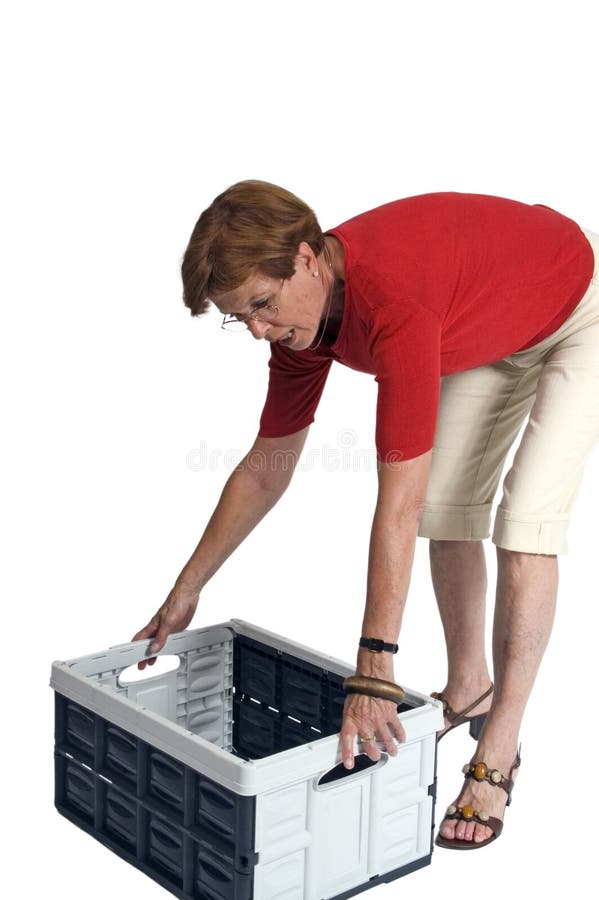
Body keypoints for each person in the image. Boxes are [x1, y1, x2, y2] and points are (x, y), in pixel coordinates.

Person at [132, 180, 599, 849]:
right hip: (491, 320)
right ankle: (468, 689)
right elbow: (267, 467)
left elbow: (394, 500)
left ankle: (498, 750)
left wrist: (372, 669)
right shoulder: (304, 325)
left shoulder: (392, 303)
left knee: (523, 525)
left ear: (306, 258)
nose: (260, 330)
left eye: (262, 305)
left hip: (576, 303)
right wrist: (186, 588)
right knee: (446, 507)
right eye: (243, 319)